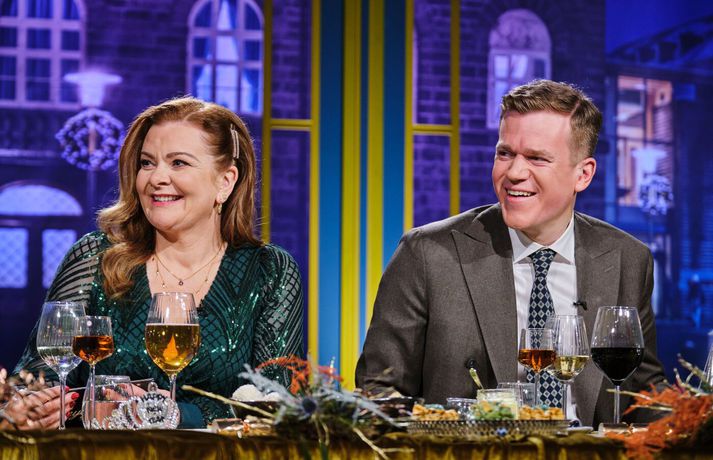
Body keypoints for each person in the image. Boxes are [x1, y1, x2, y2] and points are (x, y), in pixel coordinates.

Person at [355, 79, 666, 428]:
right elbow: (379, 392)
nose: (514, 173)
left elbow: (645, 394)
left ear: (583, 174)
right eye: (505, 154)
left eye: (536, 158)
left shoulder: (627, 259)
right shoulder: (428, 254)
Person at [13, 96, 304, 428]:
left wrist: (176, 414)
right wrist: (35, 405)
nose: (156, 178)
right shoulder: (95, 258)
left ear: (225, 181)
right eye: (147, 163)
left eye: (178, 163)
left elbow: (275, 403)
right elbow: (41, 373)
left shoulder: (270, 271)